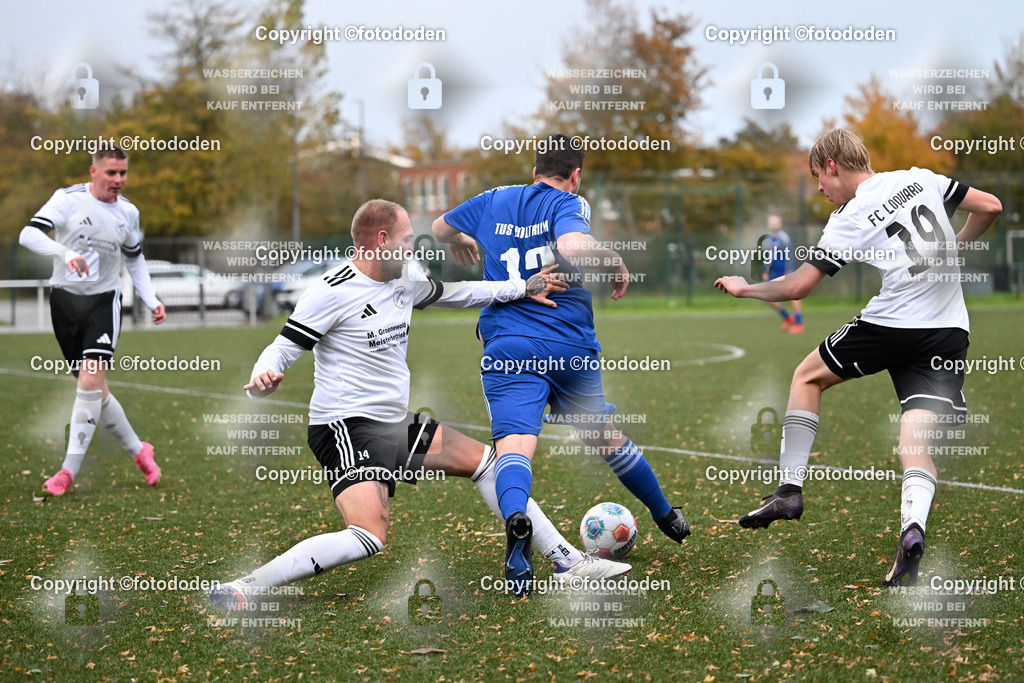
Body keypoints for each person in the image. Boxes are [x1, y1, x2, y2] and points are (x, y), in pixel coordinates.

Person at [209, 200, 629, 609]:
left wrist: (523, 286)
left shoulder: (403, 280)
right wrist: (264, 375)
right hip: (345, 427)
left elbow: (460, 292)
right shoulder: (330, 291)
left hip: (391, 422)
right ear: (381, 238)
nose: (414, 246)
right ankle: (247, 586)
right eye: (408, 239)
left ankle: (568, 562)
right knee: (368, 536)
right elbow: (281, 348)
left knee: (489, 464)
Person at [714, 129, 1001, 586]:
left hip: (890, 326)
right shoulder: (920, 177)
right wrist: (957, 247)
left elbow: (798, 287)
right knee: (915, 444)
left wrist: (744, 286)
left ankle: (789, 490)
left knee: (807, 377)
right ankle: (912, 529)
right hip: (947, 332)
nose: (821, 190)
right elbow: (990, 207)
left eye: (818, 179)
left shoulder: (850, 215)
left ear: (832, 164)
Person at [432, 134, 690, 597]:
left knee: (514, 450)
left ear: (533, 170)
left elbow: (438, 226)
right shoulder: (569, 202)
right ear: (575, 175)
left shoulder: (493, 200)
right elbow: (574, 243)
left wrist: (462, 240)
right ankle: (665, 513)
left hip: (509, 345)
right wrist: (612, 261)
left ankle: (518, 542)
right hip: (570, 345)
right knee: (606, 437)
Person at [19, 146, 165, 496]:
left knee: (88, 381)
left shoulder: (128, 213)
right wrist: (64, 252)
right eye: (112, 173)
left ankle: (67, 471)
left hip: (103, 302)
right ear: (93, 172)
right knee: (95, 392)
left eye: (123, 173)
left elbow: (135, 260)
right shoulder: (67, 200)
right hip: (64, 302)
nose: (118, 180)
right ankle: (139, 450)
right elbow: (28, 235)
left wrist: (151, 298)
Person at [760, 214, 804, 333]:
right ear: (768, 224)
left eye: (776, 222)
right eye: (771, 222)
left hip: (785, 272)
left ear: (780, 224)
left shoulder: (784, 238)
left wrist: (789, 271)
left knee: (792, 296)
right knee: (767, 297)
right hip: (774, 273)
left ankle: (799, 323)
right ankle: (788, 317)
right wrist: (765, 271)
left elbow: (788, 256)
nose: (774, 224)